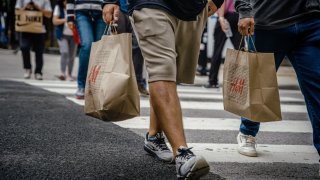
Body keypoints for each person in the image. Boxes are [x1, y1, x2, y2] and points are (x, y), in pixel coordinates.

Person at [102, 0, 223, 179]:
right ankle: (182, 153)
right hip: (150, 5)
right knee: (162, 70)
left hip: (192, 10)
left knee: (172, 75)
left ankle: (153, 136)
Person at [234, 0, 320, 159]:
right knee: (259, 83)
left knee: (317, 88)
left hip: (311, 20)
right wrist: (245, 10)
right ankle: (247, 132)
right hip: (269, 21)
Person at [66, 0, 106, 99]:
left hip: (102, 11)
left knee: (99, 48)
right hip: (82, 12)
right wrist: (70, 17)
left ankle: (95, 86)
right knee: (87, 45)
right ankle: (81, 86)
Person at [204, 0, 241, 88]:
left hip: (226, 16)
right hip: (239, 16)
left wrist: (220, 17)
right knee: (241, 51)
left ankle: (212, 81)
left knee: (217, 50)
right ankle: (241, 82)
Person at [116, 0, 149, 96]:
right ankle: (119, 82)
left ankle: (138, 82)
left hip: (138, 8)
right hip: (120, 8)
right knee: (120, 46)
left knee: (138, 46)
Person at [15, 0, 52, 80]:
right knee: (24, 47)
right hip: (25, 28)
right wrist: (26, 7)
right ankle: (27, 68)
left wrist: (38, 8)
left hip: (40, 29)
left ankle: (38, 71)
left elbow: (49, 14)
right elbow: (16, 11)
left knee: (39, 51)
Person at [53, 0, 77, 81]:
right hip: (62, 35)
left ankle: (69, 74)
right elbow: (55, 21)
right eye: (65, 1)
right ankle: (62, 73)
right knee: (64, 52)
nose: (67, 3)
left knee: (72, 56)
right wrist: (66, 19)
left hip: (74, 35)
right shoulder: (58, 8)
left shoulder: (76, 7)